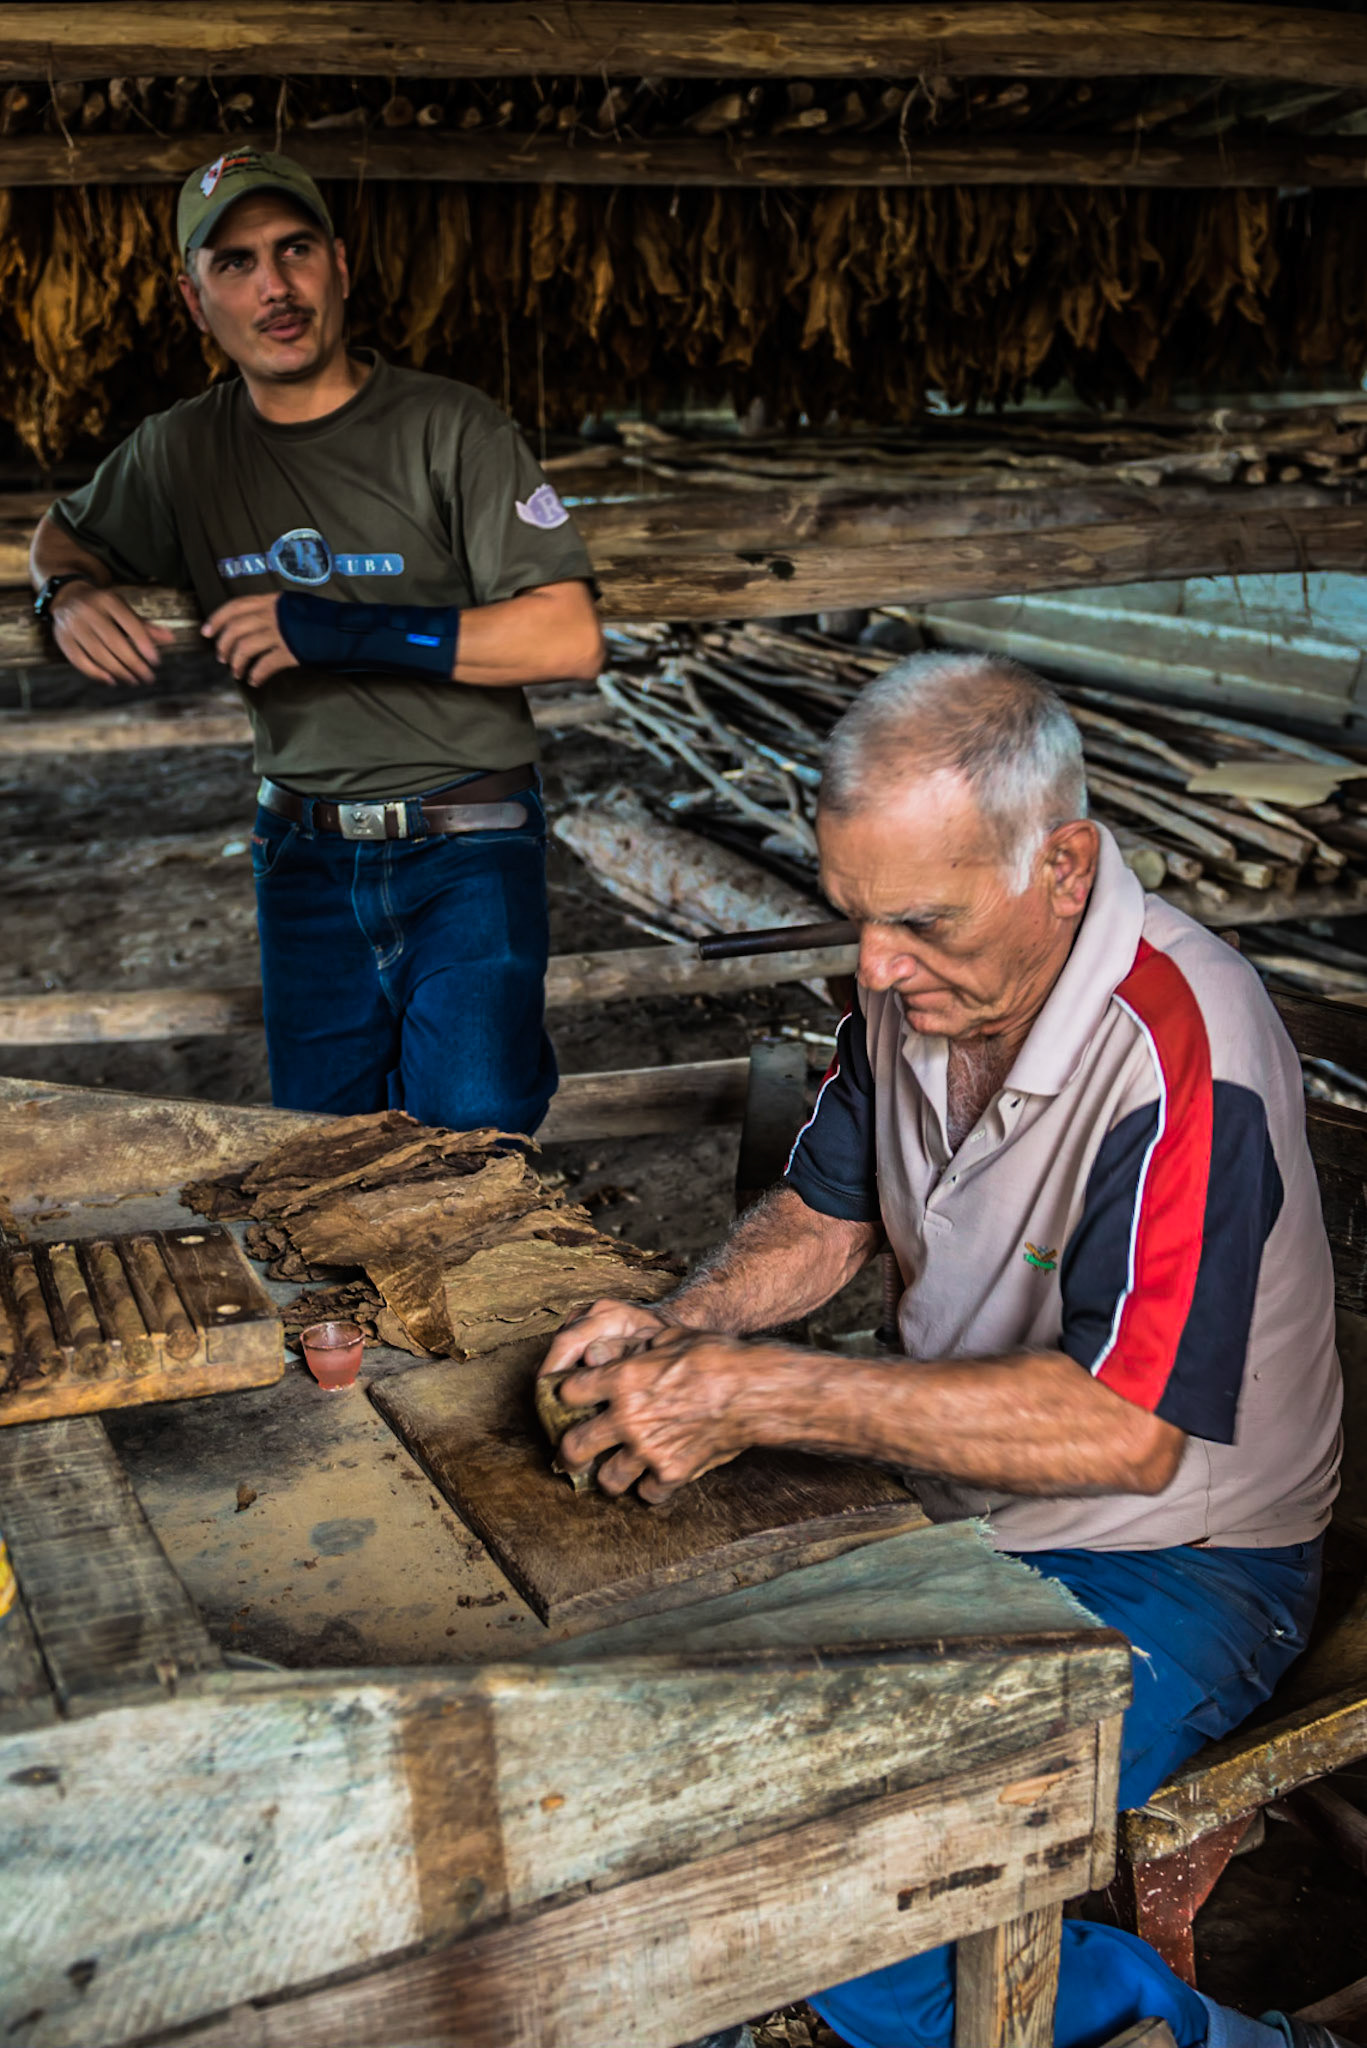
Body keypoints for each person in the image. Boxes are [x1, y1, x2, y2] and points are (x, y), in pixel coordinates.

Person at [542, 653, 1349, 2048]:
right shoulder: (919, 987)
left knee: (841, 1894)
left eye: (917, 920)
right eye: (855, 914)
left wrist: (757, 1393)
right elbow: (825, 1212)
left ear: (1062, 867)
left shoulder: (1177, 1046)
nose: (872, 964)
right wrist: (684, 1327)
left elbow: (1121, 1429)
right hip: (965, 1519)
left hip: (1182, 1564)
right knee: (657, 1761)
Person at [28, 147, 604, 1134]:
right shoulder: (181, 449)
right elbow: (62, 533)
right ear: (194, 298)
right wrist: (66, 593)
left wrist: (330, 628)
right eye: (235, 263)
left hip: (466, 842)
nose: (274, 286)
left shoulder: (450, 426)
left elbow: (567, 636)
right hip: (300, 852)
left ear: (338, 264)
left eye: (293, 250)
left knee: (473, 1124)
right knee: (320, 1142)